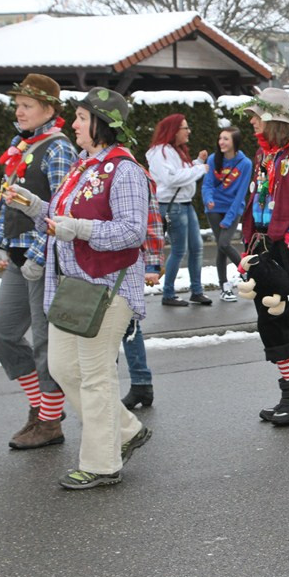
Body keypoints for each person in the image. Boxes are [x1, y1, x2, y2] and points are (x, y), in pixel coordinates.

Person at [5, 87, 151, 490]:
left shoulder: (125, 170)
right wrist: (31, 204)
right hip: (75, 287)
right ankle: (124, 430)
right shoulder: (83, 165)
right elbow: (57, 220)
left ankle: (103, 464)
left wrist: (79, 229)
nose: (74, 124)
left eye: (82, 118)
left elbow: (132, 231)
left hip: (109, 288)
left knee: (95, 375)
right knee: (62, 367)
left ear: (103, 123)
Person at [227, 89, 289, 425]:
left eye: (257, 117)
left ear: (273, 120)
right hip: (262, 245)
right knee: (269, 318)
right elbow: (256, 202)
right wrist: (250, 242)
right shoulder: (264, 156)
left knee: (278, 316)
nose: (252, 122)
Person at [0, 74, 77, 450]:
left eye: (26, 105)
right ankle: (40, 407)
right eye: (17, 104)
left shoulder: (58, 150)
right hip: (17, 256)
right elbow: (7, 200)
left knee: (44, 344)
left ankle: (49, 421)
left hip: (46, 260)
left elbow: (62, 210)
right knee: (2, 333)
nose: (18, 110)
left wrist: (39, 257)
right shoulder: (23, 145)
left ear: (48, 109)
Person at [147, 113, 211, 307]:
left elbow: (181, 173)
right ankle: (168, 293)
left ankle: (196, 291)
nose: (188, 131)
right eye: (185, 128)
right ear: (174, 130)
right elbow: (171, 179)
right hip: (173, 205)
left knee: (196, 247)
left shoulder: (174, 151)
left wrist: (197, 163)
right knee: (179, 249)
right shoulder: (160, 152)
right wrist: (199, 169)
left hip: (184, 204)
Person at [120, 168, 165, 411]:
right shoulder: (85, 167)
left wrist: (153, 263)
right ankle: (135, 383)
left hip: (126, 261)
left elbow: (152, 219)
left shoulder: (131, 170)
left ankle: (141, 383)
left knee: (128, 322)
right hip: (96, 261)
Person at [202, 126, 253, 302]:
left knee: (224, 243)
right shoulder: (212, 159)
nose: (221, 142)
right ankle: (225, 287)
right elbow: (207, 184)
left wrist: (230, 217)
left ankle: (248, 274)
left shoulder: (245, 163)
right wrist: (208, 199)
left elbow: (241, 194)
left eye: (226, 139)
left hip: (232, 208)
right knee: (221, 246)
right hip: (214, 208)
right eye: (220, 138)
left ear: (235, 143)